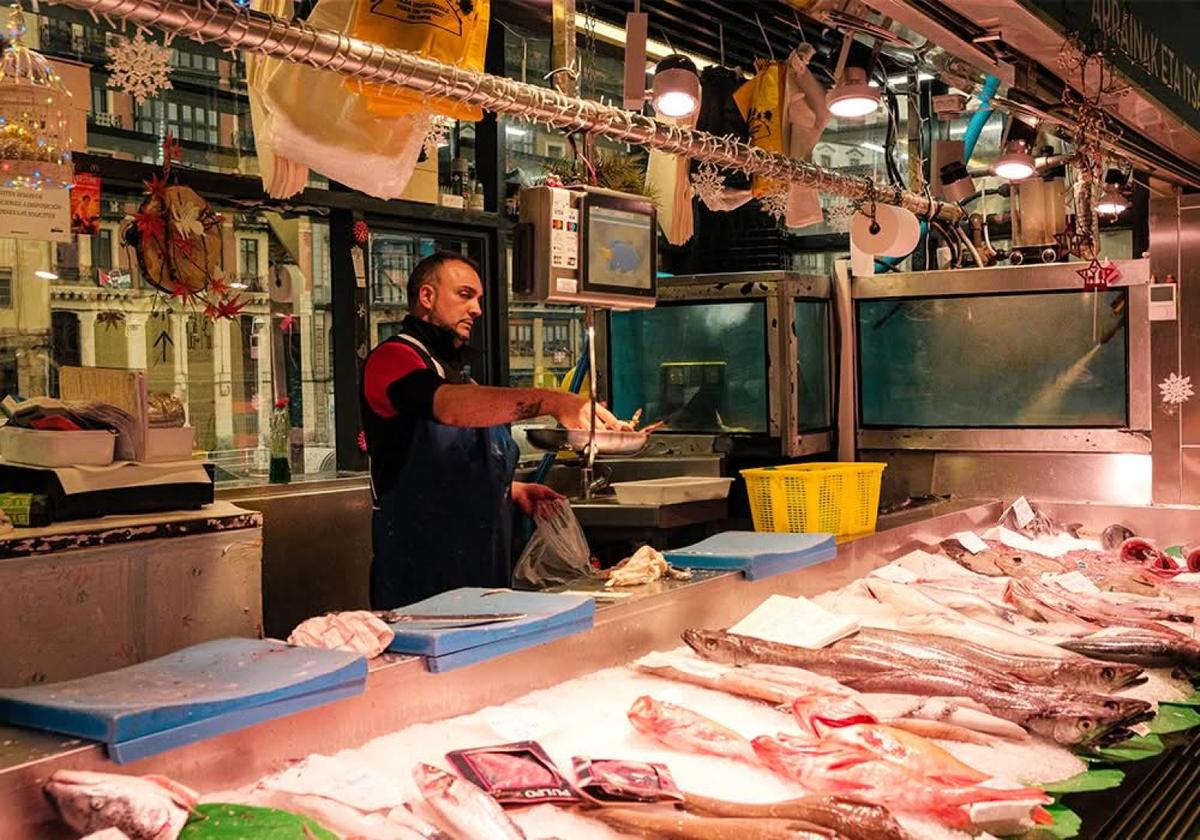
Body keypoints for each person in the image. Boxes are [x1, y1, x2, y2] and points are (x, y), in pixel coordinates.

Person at [360, 250, 629, 609]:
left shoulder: (461, 378)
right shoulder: (393, 359)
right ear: (426, 296)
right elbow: (448, 408)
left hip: (483, 576)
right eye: (465, 295)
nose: (476, 310)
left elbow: (447, 469)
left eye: (479, 299)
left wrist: (510, 490)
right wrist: (554, 401)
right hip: (420, 584)